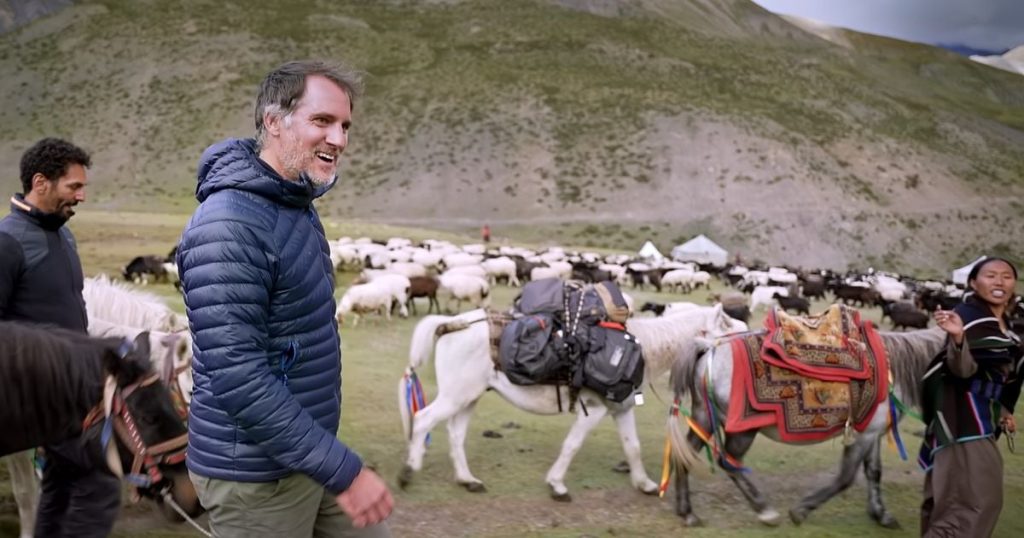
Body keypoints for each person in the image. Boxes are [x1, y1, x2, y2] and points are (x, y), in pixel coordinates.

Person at [177, 60, 393, 537]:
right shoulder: (229, 225)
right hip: (253, 475)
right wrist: (345, 471)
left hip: (303, 450)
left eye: (345, 125)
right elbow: (238, 375)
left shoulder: (292, 203)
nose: (339, 139)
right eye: (322, 121)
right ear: (274, 122)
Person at [0, 138, 122, 537]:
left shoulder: (63, 235)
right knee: (95, 483)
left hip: (77, 390)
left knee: (64, 484)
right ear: (41, 182)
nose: (82, 196)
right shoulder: (8, 242)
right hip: (40, 396)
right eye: (74, 186)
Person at [919, 256, 1023, 537]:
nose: (999, 281)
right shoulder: (968, 318)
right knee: (972, 505)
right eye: (990, 275)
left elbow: (1004, 374)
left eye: (1006, 276)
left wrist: (1003, 409)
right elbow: (962, 370)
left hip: (980, 420)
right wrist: (958, 339)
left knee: (956, 503)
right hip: (963, 422)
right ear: (973, 283)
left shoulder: (1003, 323)